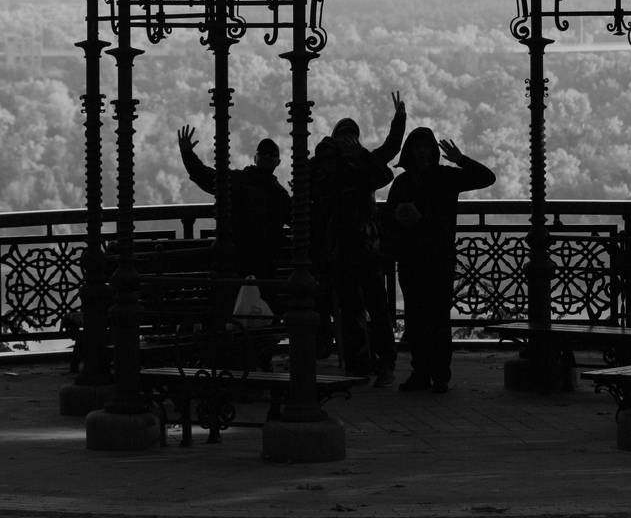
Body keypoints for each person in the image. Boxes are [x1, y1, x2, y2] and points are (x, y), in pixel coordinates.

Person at [385, 126, 495, 394]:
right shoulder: (408, 182)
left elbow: (486, 178)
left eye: (425, 147)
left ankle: (436, 374)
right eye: (418, 147)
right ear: (411, 151)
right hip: (415, 258)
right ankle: (424, 373)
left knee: (436, 318)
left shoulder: (443, 177)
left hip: (435, 258)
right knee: (417, 319)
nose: (422, 152)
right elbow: (388, 218)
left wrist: (460, 159)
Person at [311, 93, 406, 385]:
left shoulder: (363, 163)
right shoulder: (335, 166)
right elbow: (388, 152)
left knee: (369, 308)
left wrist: (399, 121)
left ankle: (374, 363)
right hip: (355, 247)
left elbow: (388, 154)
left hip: (358, 248)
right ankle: (366, 363)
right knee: (359, 308)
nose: (348, 141)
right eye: (344, 136)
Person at [177, 126, 292, 294]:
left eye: (271, 154)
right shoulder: (273, 192)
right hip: (251, 261)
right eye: (264, 153)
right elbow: (206, 176)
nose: (267, 156)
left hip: (244, 261)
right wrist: (187, 154)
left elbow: (207, 177)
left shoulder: (246, 183)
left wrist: (187, 154)